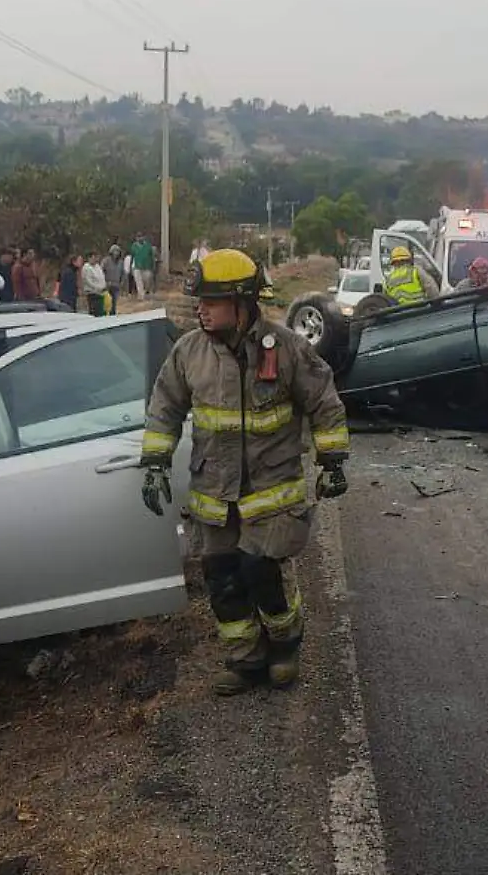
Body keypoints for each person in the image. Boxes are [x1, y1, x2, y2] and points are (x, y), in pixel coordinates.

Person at [141, 249, 350, 696]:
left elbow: (324, 404)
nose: (201, 309)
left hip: (271, 491)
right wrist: (154, 462)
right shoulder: (189, 353)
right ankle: (245, 660)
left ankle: (284, 645)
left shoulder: (288, 348)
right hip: (214, 493)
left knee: (261, 571)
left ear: (242, 304)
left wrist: (332, 461)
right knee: (222, 578)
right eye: (199, 301)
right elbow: (164, 409)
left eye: (211, 301)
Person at [103, 244, 126, 313]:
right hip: (107, 284)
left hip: (116, 285)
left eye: (118, 251)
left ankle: (113, 313)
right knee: (107, 302)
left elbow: (123, 273)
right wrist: (104, 282)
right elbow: (102, 271)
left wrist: (122, 282)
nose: (116, 253)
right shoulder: (106, 261)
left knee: (114, 301)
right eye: (115, 251)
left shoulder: (121, 262)